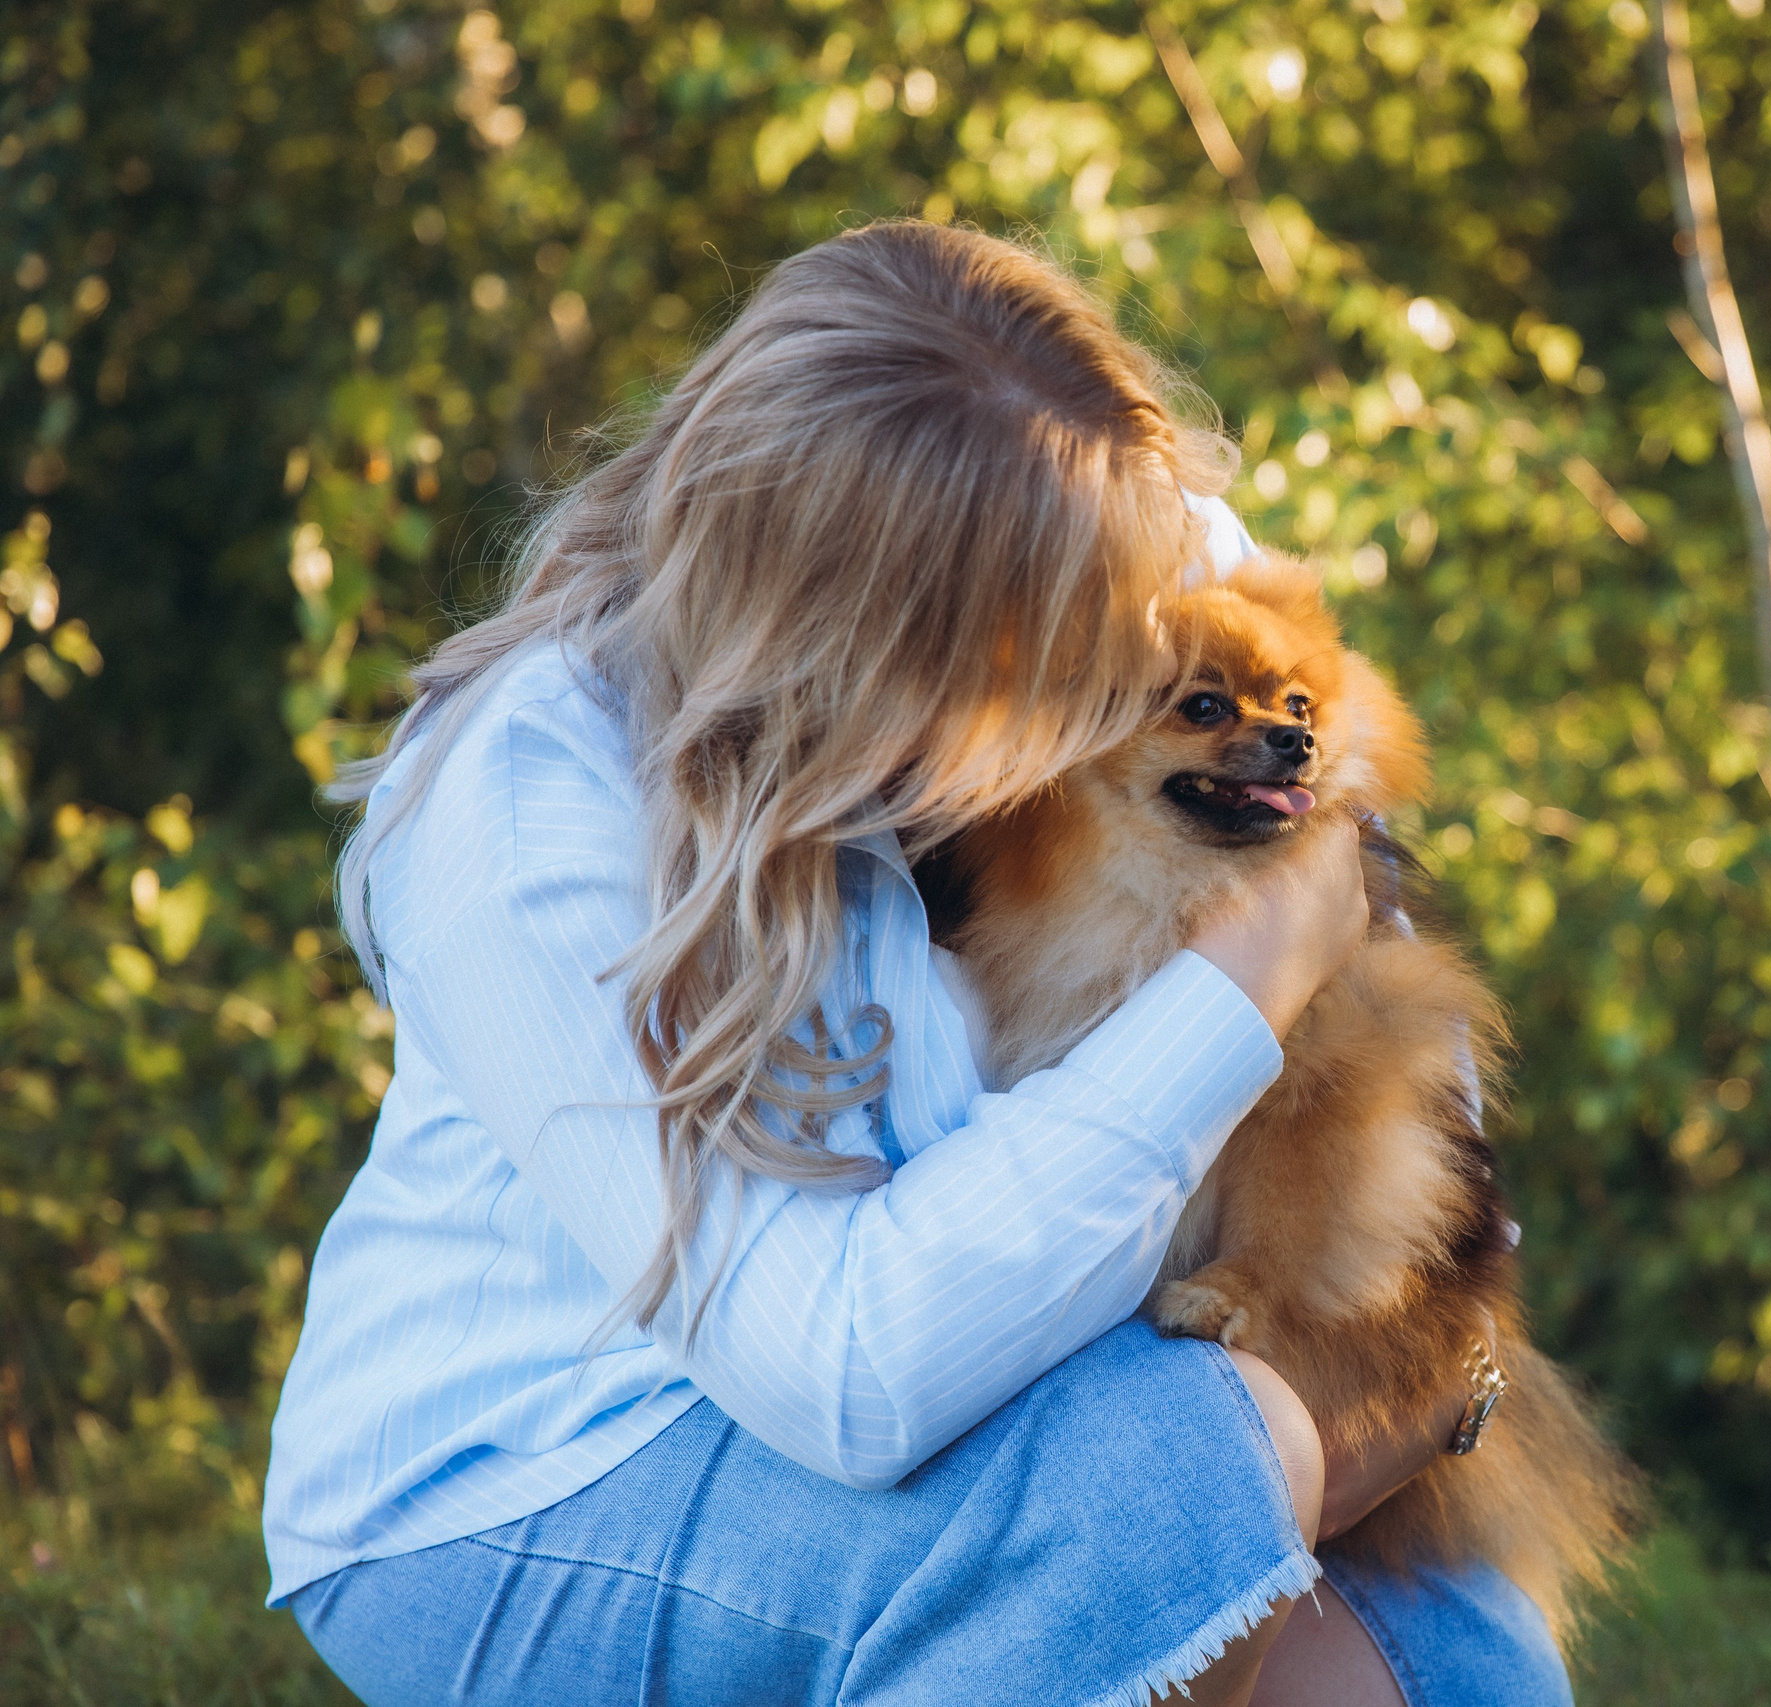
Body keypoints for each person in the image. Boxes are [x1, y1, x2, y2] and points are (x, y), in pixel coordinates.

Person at [262, 222, 1571, 1707]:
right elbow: (844, 1375)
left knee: (1461, 1666)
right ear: (852, 620)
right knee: (1181, 1486)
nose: (1094, 682)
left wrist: (1423, 1349)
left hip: (1028, 1376)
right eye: (1041, 655)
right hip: (539, 1471)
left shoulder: (1106, 542)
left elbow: (1376, 922)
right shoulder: (532, 793)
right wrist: (1246, 986)